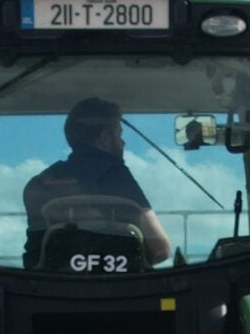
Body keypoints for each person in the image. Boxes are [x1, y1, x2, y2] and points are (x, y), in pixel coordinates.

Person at [21, 96, 173, 265]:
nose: (123, 143)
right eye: (119, 134)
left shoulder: (39, 184)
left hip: (44, 289)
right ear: (104, 138)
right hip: (121, 287)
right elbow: (160, 249)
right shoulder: (116, 176)